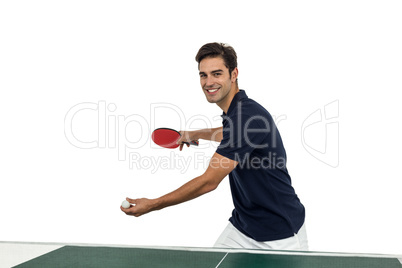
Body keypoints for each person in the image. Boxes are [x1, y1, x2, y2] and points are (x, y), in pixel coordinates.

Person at [121, 42, 308, 250]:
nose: (209, 82)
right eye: (203, 75)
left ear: (234, 74)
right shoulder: (236, 110)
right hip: (244, 225)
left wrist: (153, 204)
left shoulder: (248, 117)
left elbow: (208, 182)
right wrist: (193, 134)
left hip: (279, 232)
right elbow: (229, 134)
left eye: (217, 74)